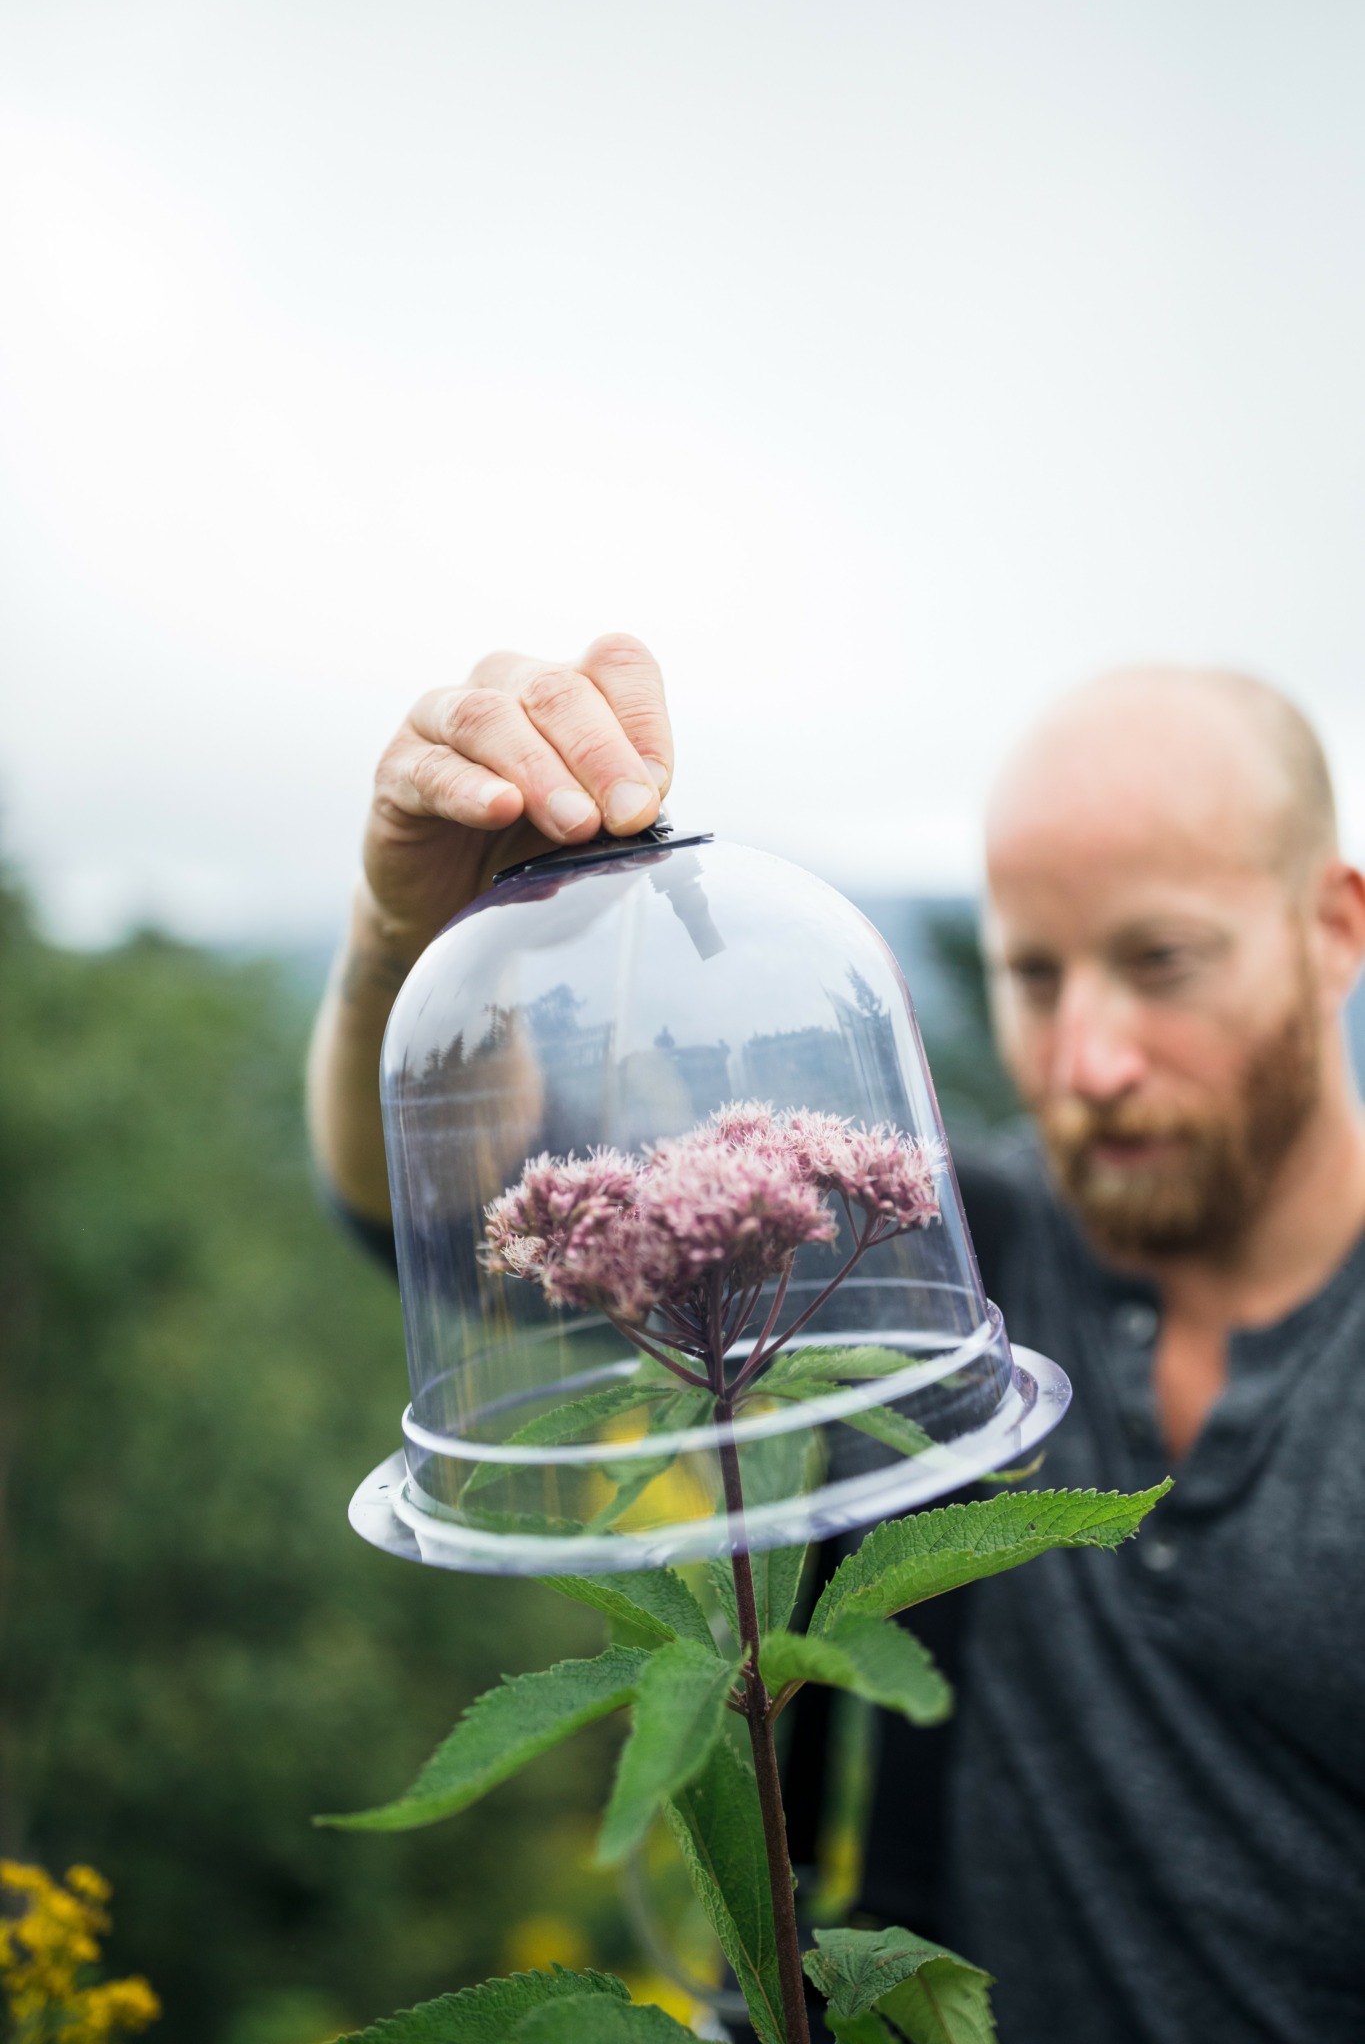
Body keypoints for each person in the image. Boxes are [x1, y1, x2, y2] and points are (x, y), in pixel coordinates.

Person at [308, 636, 1365, 2044]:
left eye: (1161, 962)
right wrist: (410, 945)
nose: (1089, 1063)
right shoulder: (919, 1246)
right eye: (1033, 975)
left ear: (1334, 928)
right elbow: (444, 1229)